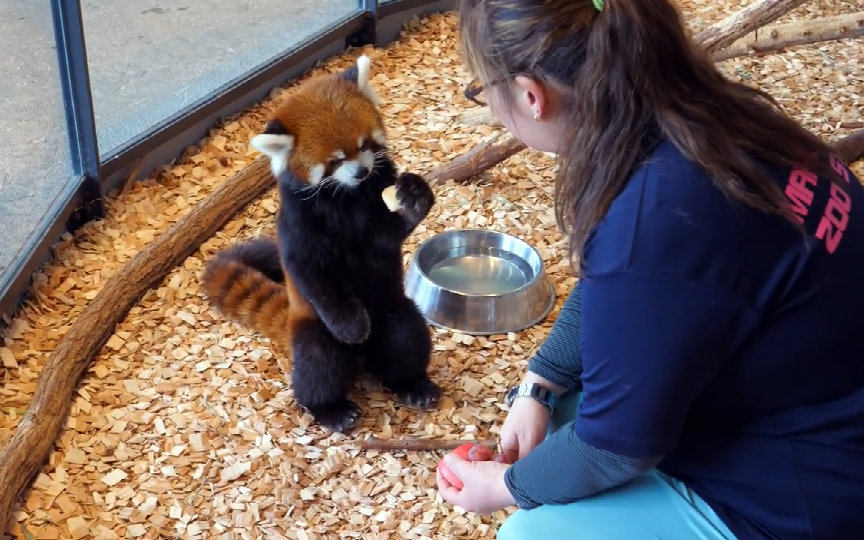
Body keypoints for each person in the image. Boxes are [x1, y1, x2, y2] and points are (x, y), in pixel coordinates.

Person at [434, 0, 864, 539]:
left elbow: (615, 447)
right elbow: (626, 289)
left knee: (531, 534)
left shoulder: (656, 219)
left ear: (529, 95)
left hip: (813, 492)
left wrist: (504, 486)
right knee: (566, 410)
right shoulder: (714, 117)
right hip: (823, 391)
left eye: (486, 93)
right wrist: (540, 384)